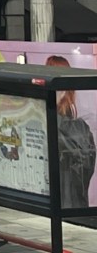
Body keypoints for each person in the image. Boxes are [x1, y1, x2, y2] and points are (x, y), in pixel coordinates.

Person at [46, 54, 97, 207]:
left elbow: (84, 166)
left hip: (66, 204)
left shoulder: (70, 126)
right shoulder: (72, 125)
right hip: (70, 202)